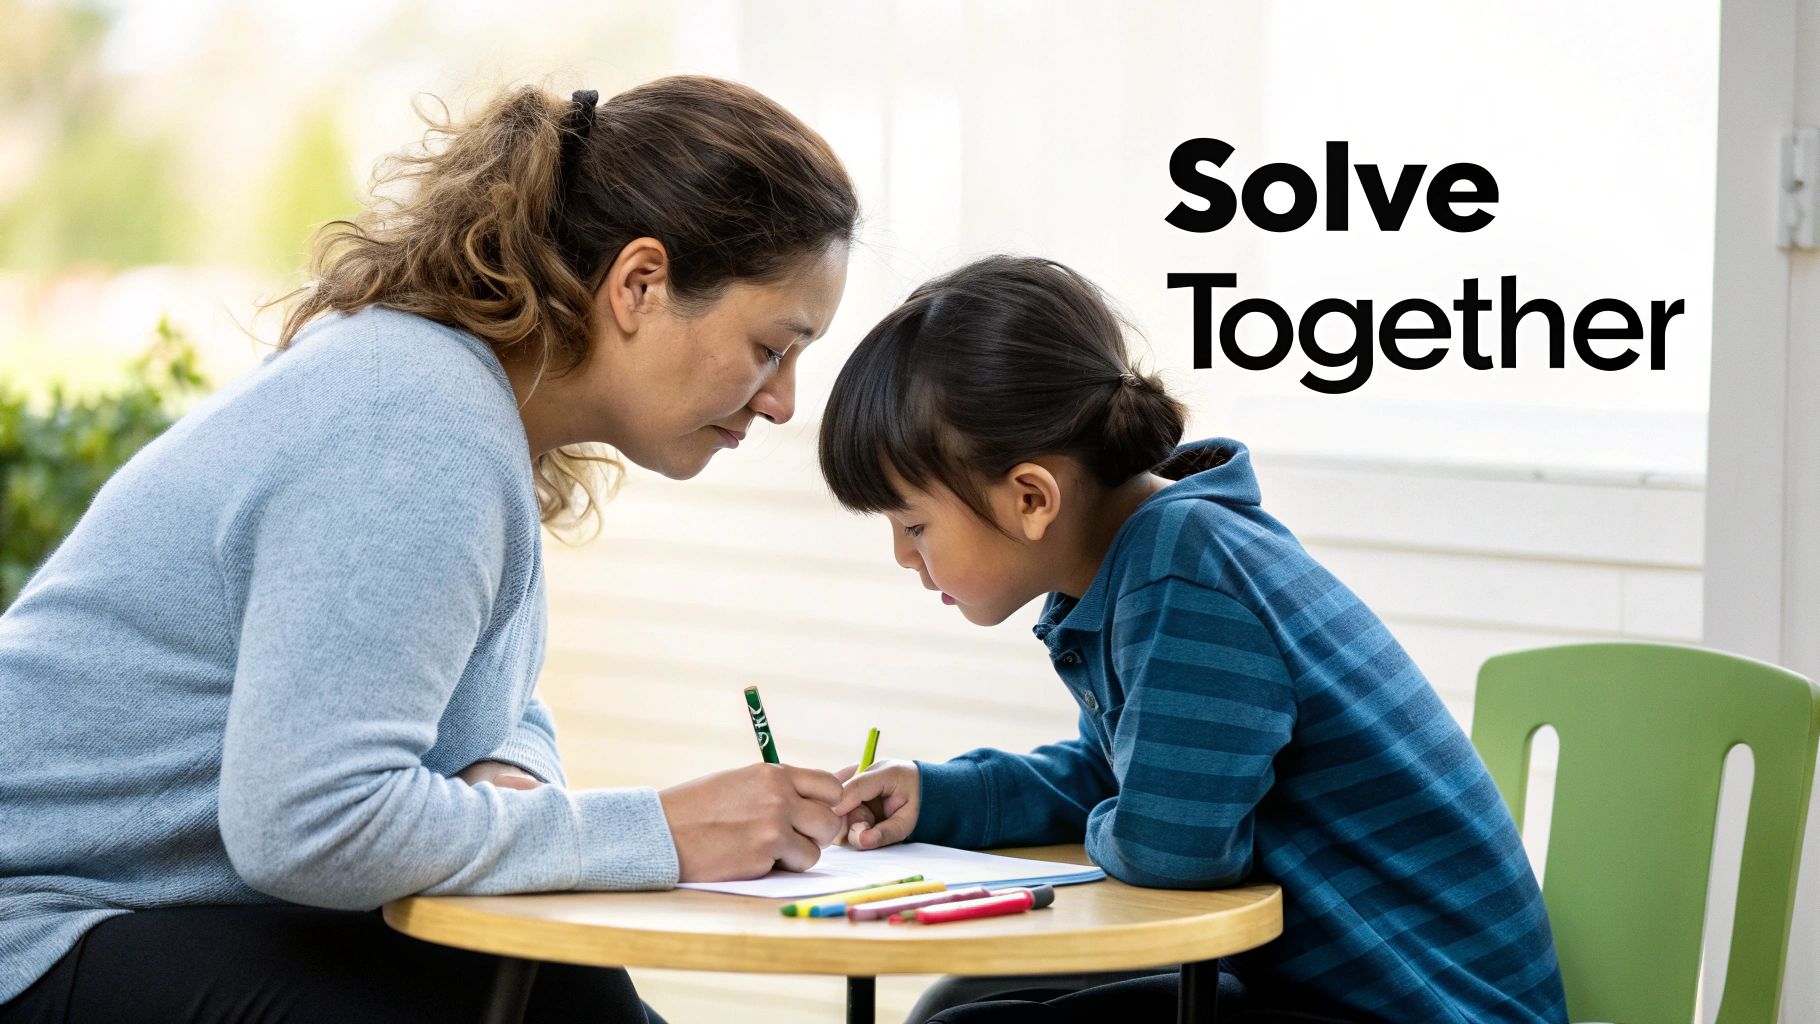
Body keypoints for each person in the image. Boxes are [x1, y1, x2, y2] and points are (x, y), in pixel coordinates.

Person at [0, 76, 857, 1023]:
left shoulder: (459, 407)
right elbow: (308, 823)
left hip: (116, 912)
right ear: (640, 284)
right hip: (33, 925)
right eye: (772, 347)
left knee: (564, 993)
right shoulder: (413, 428)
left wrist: (510, 778)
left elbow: (488, 704)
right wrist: (661, 831)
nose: (782, 402)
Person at [819, 256, 1570, 1024]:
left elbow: (1172, 850)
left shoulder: (1183, 577)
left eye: (914, 524)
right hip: (1336, 998)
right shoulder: (1147, 560)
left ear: (1032, 498)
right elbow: (1122, 775)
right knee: (962, 1003)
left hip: (1428, 1012)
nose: (903, 555)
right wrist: (943, 796)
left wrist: (1132, 816)